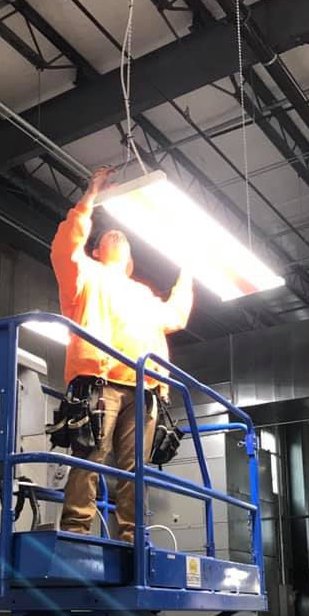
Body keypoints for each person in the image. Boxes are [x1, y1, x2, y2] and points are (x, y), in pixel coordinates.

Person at [50, 166, 194, 543]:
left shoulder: (144, 296)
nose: (116, 236)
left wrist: (188, 268)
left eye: (123, 239)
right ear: (96, 250)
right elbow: (65, 246)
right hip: (98, 384)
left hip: (144, 390)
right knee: (90, 460)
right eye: (105, 237)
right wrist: (90, 196)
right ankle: (76, 532)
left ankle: (132, 537)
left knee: (135, 469)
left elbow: (176, 314)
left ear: (130, 261)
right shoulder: (83, 275)